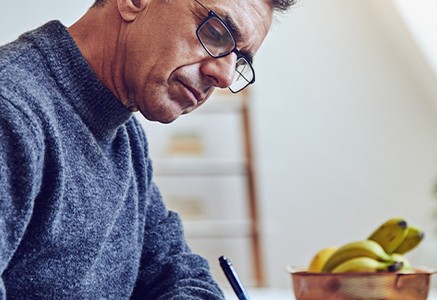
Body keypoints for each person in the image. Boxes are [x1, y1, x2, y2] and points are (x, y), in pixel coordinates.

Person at [0, 0, 295, 298]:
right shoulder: (11, 110)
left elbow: (180, 275)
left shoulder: (124, 135)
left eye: (239, 59)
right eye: (216, 32)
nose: (225, 76)